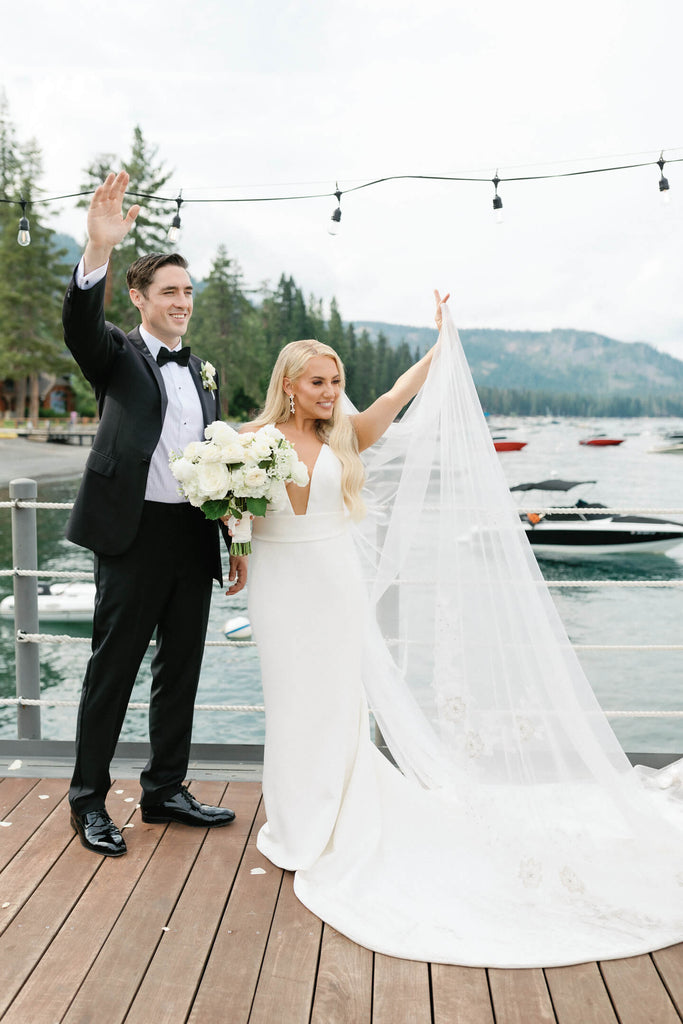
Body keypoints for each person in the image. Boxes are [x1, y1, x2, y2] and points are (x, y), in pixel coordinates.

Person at [241, 292, 683, 967]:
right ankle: (297, 821)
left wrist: (439, 345)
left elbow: (395, 394)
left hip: (333, 583)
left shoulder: (346, 434)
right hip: (276, 587)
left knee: (335, 704)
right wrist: (235, 541)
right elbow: (228, 509)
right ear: (288, 387)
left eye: (334, 381)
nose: (331, 392)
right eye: (317, 382)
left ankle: (333, 820)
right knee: (289, 702)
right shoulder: (245, 442)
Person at [64, 171, 246, 858]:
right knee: (112, 672)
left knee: (182, 669)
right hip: (131, 533)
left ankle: (165, 790)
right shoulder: (116, 354)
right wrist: (97, 250)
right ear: (139, 298)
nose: (182, 302)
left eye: (188, 292)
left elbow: (215, 455)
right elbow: (80, 325)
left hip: (190, 534)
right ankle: (87, 801)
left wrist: (233, 533)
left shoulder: (204, 372)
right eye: (168, 291)